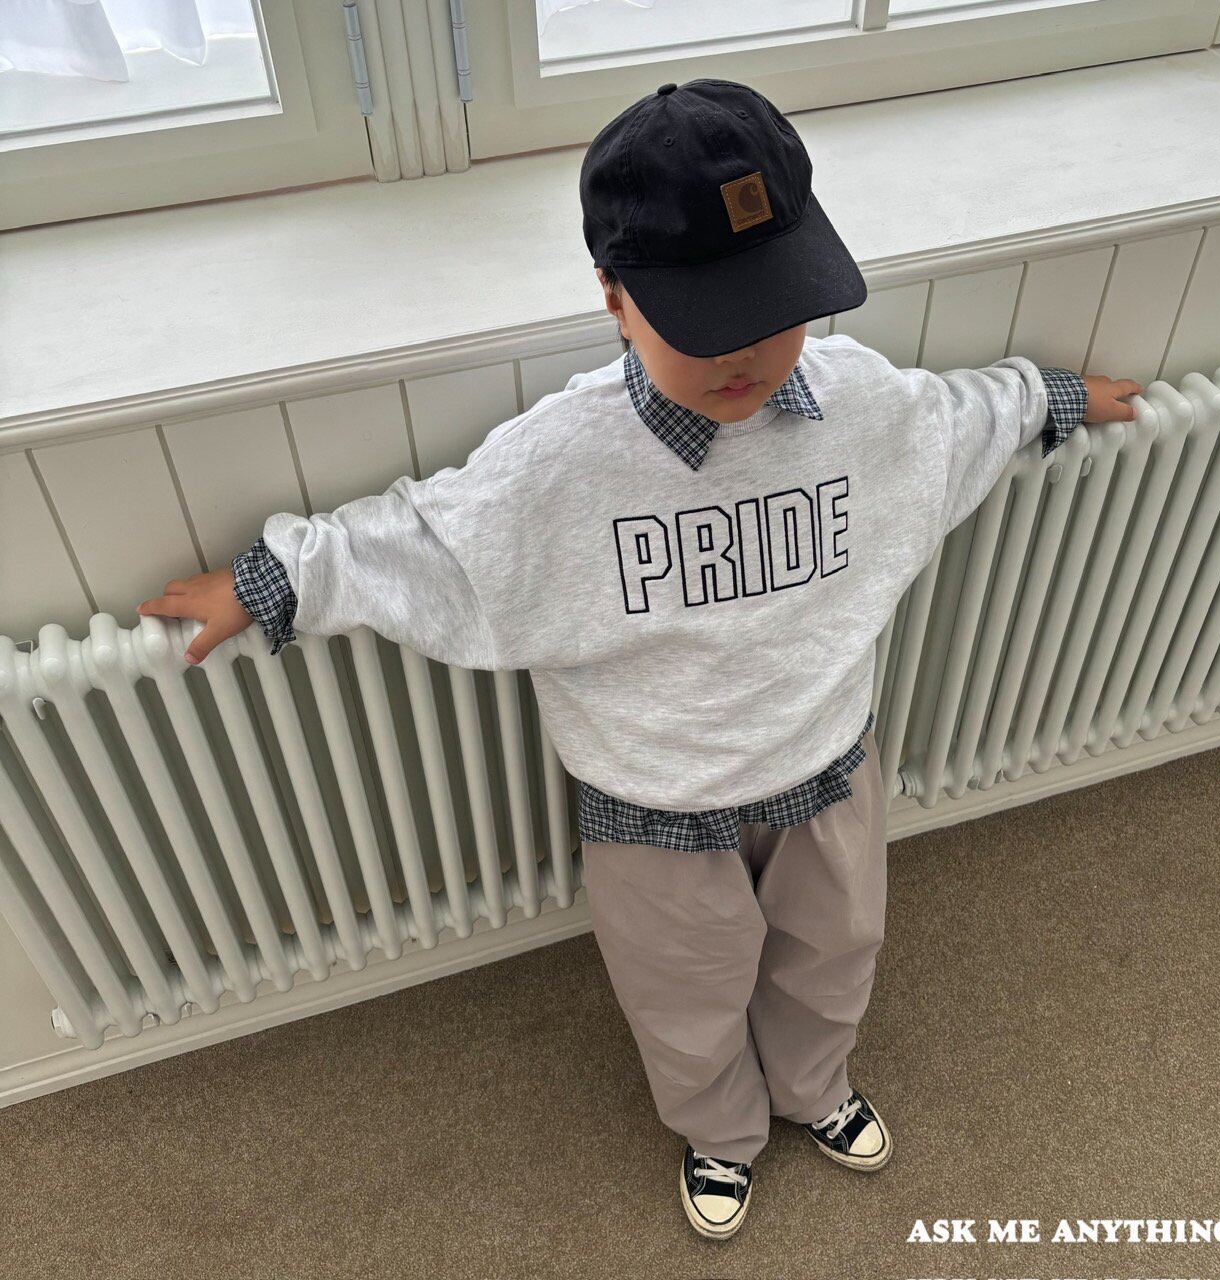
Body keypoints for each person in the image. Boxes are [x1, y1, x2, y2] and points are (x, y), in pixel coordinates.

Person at [137, 79, 1143, 1241]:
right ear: (614, 297)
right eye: (703, 321)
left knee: (835, 950)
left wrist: (1051, 398)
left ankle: (814, 1083)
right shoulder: (560, 461)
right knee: (683, 994)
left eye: (772, 309)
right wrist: (271, 580)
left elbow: (951, 418)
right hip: (654, 808)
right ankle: (719, 1128)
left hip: (826, 766)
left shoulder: (859, 402)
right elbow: (425, 538)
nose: (744, 350)